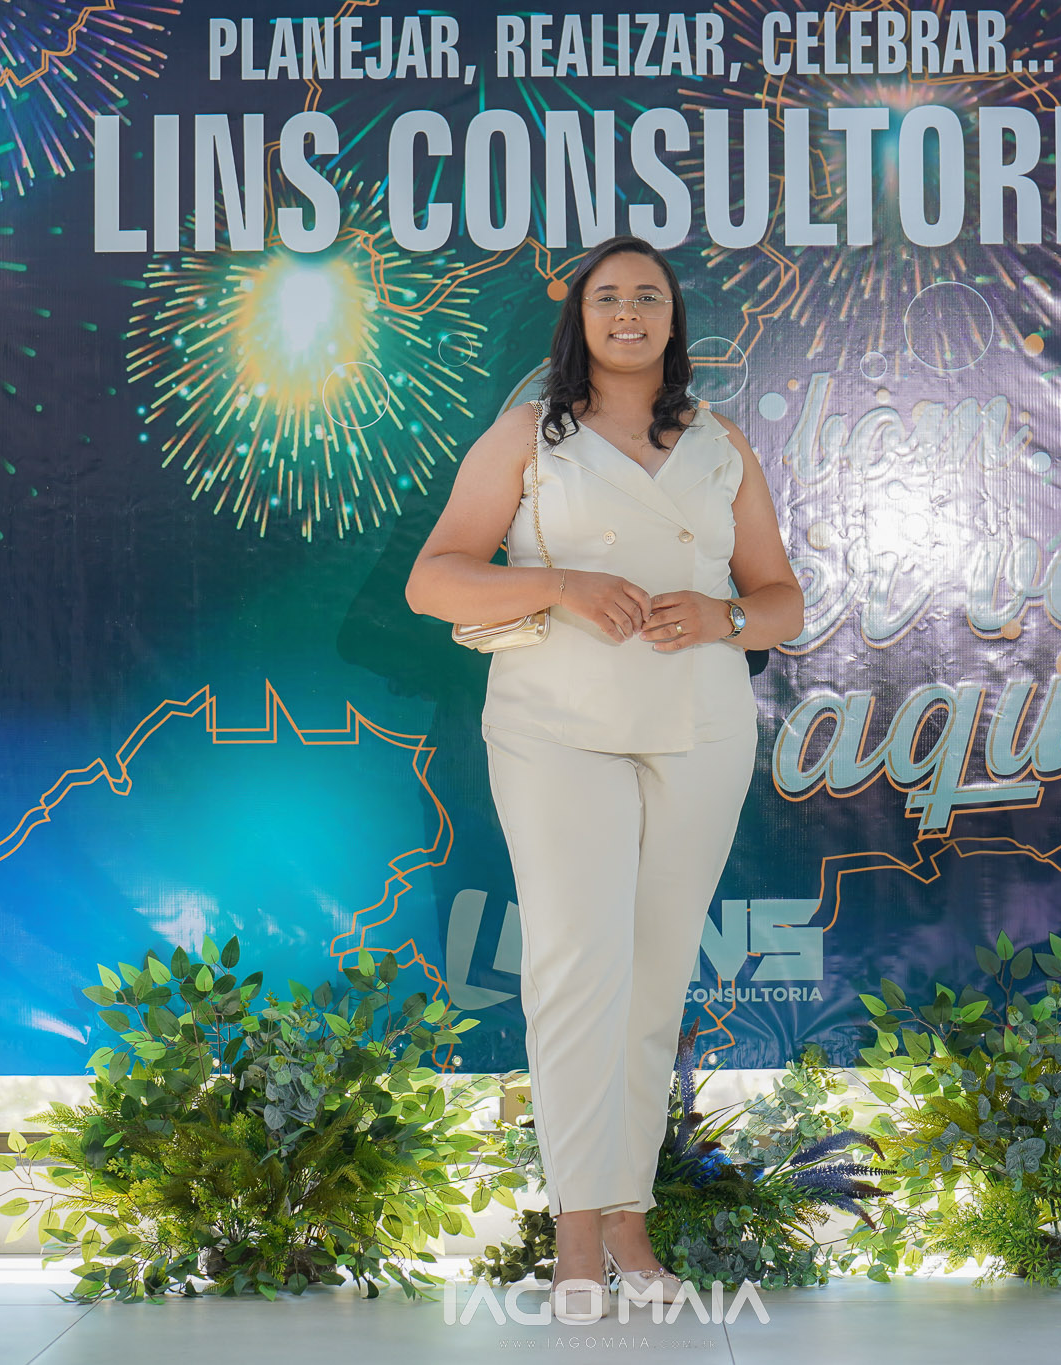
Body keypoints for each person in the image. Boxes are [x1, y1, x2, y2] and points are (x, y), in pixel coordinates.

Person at [404, 235, 804, 1322]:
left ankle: (631, 1218)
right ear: (577, 319)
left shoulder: (719, 442)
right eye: (607, 297)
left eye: (648, 297)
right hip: (556, 724)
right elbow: (433, 580)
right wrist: (561, 584)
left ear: (673, 320)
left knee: (655, 977)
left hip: (699, 726)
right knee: (577, 968)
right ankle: (577, 1231)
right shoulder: (528, 434)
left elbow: (780, 601)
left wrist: (723, 614)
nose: (628, 312)